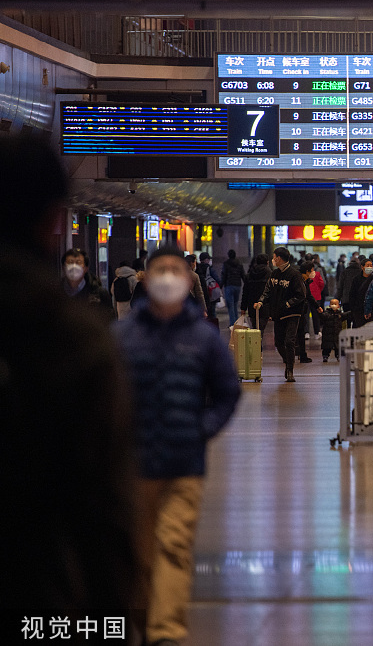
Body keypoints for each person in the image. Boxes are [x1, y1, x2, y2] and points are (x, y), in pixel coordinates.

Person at [4, 135, 137, 627]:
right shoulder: (70, 334)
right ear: (55, 220)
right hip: (37, 583)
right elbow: (103, 500)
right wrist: (112, 619)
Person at [115, 247, 240, 646]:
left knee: (174, 546)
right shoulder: (121, 336)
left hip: (185, 463)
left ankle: (164, 633)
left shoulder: (203, 337)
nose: (168, 277)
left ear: (188, 281)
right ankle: (145, 620)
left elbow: (227, 392)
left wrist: (201, 428)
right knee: (138, 554)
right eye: (159, 271)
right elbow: (97, 394)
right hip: (133, 464)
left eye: (175, 271)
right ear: (145, 280)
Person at [254, 247, 307, 382]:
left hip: (292, 314)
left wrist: (288, 304)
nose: (273, 259)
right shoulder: (274, 274)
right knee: (278, 343)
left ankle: (290, 370)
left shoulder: (294, 274)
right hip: (278, 313)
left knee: (289, 341)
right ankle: (288, 360)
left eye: (274, 257)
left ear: (278, 258)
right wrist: (260, 301)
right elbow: (268, 290)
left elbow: (301, 295)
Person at [61, 248, 115, 320]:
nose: (74, 267)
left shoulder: (99, 294)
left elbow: (110, 323)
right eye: (70, 262)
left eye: (78, 262)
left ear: (86, 268)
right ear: (63, 267)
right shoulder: (53, 293)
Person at [296, 261, 324, 363]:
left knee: (300, 332)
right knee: (295, 333)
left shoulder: (306, 281)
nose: (314, 272)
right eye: (312, 270)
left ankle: (302, 354)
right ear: (307, 271)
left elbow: (308, 295)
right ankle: (294, 354)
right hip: (295, 310)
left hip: (301, 310)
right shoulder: (298, 280)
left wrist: (317, 306)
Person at [240, 253, 271, 333]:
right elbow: (273, 293)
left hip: (252, 306)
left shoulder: (249, 274)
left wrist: (243, 308)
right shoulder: (270, 274)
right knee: (261, 330)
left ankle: (256, 344)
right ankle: (258, 344)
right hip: (265, 306)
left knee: (254, 328)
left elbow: (245, 292)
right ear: (267, 262)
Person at [347, 259, 373, 329]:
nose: (370, 267)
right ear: (362, 267)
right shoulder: (356, 279)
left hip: (372, 310)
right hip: (358, 310)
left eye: (371, 266)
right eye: (368, 265)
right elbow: (352, 295)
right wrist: (353, 309)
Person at [220, 248, 246, 324]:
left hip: (229, 285)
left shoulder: (226, 264)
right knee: (235, 304)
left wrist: (221, 285)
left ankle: (233, 323)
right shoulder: (239, 263)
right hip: (237, 285)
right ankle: (237, 322)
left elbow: (224, 275)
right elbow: (243, 275)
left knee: (230, 305)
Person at [196, 251, 219, 317]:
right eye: (208, 259)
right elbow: (217, 278)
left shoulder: (197, 268)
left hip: (201, 293)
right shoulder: (210, 269)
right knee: (212, 311)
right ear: (206, 260)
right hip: (210, 292)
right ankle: (213, 326)